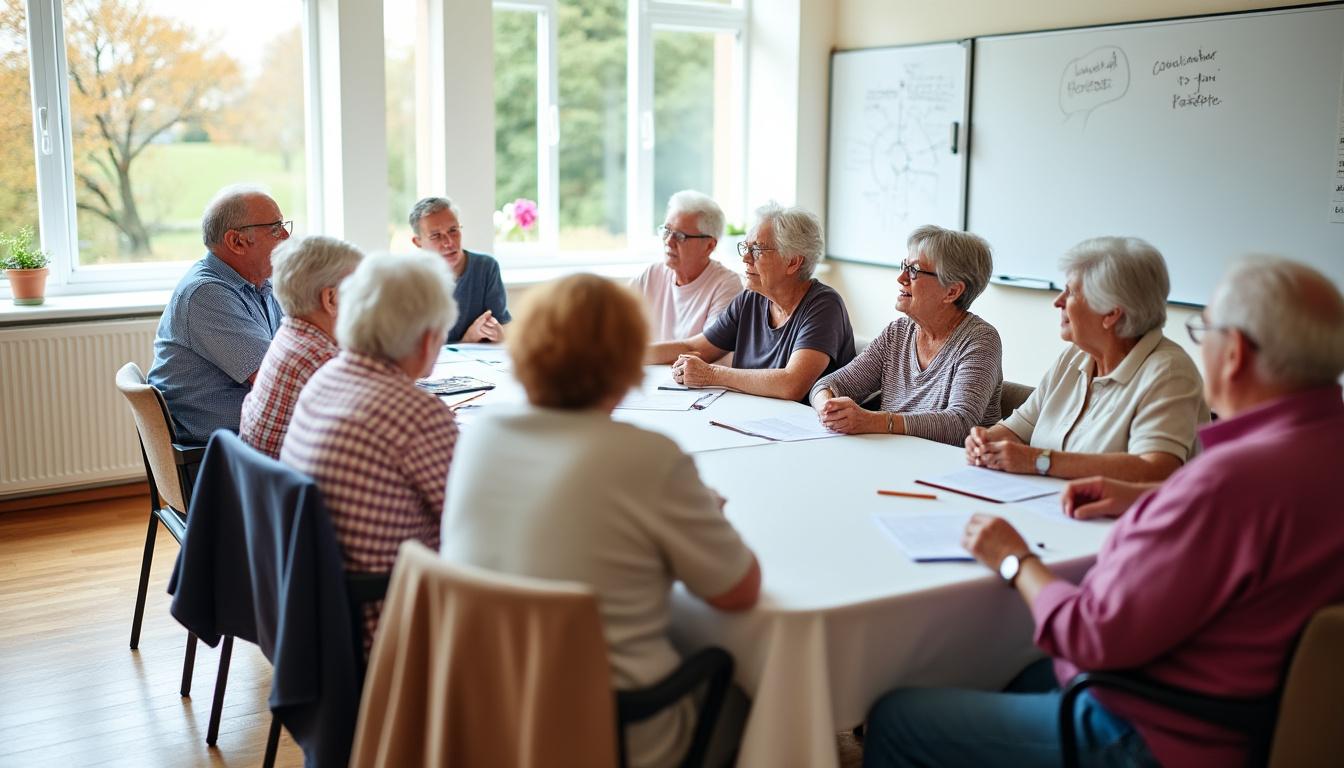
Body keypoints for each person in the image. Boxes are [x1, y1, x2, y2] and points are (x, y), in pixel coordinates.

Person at [862, 257, 1344, 768]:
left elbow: (1090, 635)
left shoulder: (1227, 480)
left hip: (1160, 731)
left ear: (1236, 354)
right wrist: (1147, 499)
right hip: (1259, 709)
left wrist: (1014, 559)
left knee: (897, 715)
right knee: (1015, 671)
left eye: (1207, 332)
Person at [443, 273, 761, 768]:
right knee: (750, 694)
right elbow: (738, 591)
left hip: (490, 712)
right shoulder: (647, 457)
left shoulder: (478, 437)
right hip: (614, 728)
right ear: (626, 363)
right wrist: (703, 516)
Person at [280, 251, 459, 646]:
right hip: (385, 616)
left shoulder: (327, 376)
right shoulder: (417, 413)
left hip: (315, 607)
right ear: (429, 337)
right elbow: (469, 523)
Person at [965, 237, 1207, 482]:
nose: (1058, 301)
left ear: (1111, 313)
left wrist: (1038, 460)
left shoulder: (1169, 372)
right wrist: (985, 441)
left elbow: (1156, 469)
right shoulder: (1075, 355)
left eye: (1070, 292)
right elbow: (1016, 430)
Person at [810, 225, 1002, 445]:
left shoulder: (980, 340)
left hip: (949, 467)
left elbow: (961, 424)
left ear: (952, 291)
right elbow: (828, 385)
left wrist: (875, 421)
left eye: (914, 271)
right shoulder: (898, 332)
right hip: (896, 456)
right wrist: (828, 407)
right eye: (904, 266)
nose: (901, 278)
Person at [646, 202, 856, 402]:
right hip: (750, 420)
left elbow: (792, 383)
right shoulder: (751, 299)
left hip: (806, 433)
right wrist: (625, 355)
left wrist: (711, 374)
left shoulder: (824, 306)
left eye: (757, 250)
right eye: (745, 248)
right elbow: (694, 346)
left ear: (793, 262)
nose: (746, 258)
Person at [147, 185, 291, 444]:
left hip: (245, 439)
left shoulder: (258, 284)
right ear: (236, 242)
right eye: (274, 228)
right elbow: (277, 381)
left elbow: (290, 355)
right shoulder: (206, 294)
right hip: (218, 454)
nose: (286, 236)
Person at [239, 236, 363, 459]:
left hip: (263, 483)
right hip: (296, 487)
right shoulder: (323, 361)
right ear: (331, 298)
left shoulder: (290, 336)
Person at [631, 190, 743, 342]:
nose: (669, 241)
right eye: (667, 230)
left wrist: (638, 354)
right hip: (651, 365)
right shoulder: (652, 274)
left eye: (680, 236)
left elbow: (705, 350)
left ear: (709, 246)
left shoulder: (726, 285)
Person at [409, 196, 510, 343]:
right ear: (418, 242)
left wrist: (499, 333)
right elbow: (415, 349)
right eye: (436, 236)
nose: (449, 242)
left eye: (453, 230)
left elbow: (501, 325)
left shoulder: (486, 267)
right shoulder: (409, 279)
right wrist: (468, 338)